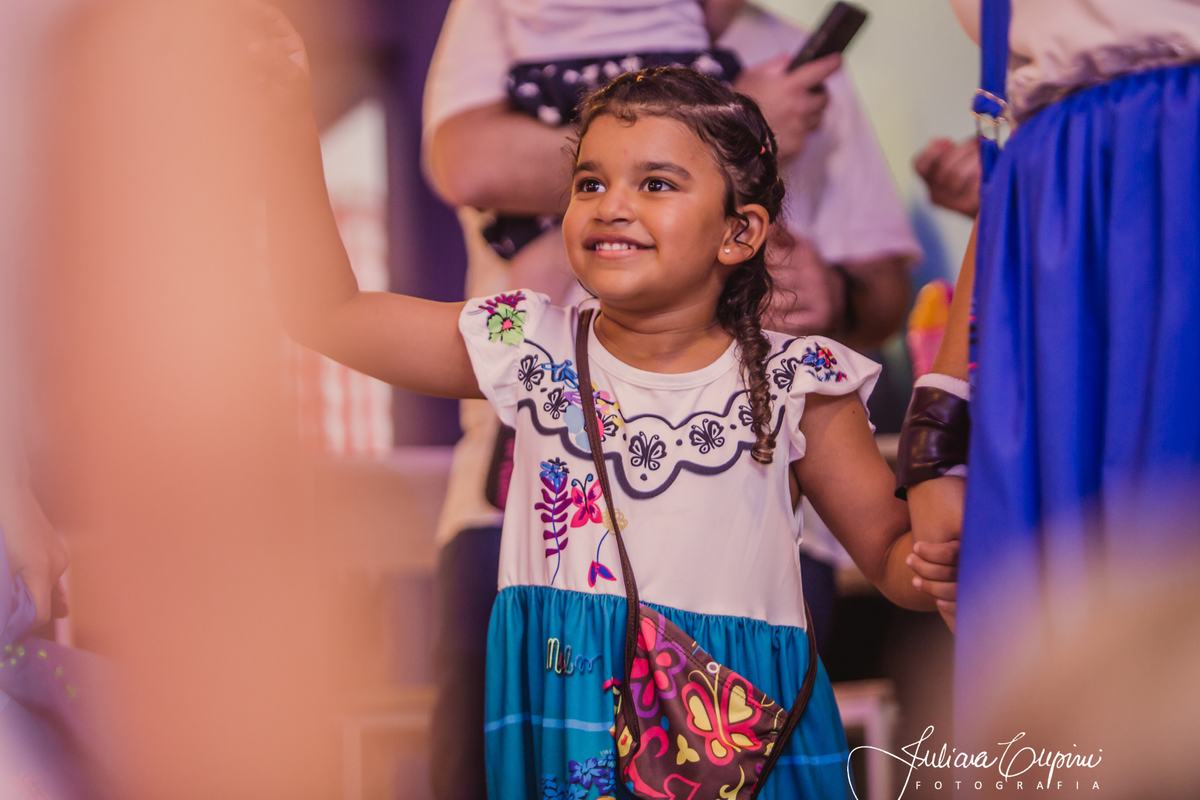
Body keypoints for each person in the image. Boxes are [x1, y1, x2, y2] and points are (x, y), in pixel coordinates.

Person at [261, 14, 955, 793]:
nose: (611, 204)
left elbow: (893, 558)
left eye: (655, 184)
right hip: (573, 735)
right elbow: (328, 314)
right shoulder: (528, 346)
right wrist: (285, 128)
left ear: (740, 233)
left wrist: (943, 561)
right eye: (590, 183)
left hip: (745, 749)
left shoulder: (798, 382)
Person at [901, 0, 1200, 747]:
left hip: (1177, 182)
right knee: (1050, 677)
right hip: (1049, 215)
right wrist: (939, 422)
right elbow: (1016, 132)